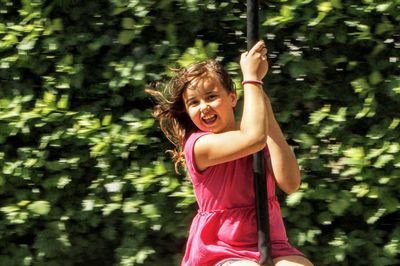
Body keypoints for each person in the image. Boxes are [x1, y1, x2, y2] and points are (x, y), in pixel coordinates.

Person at [147, 40, 313, 266]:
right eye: (194, 103)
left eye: (211, 97)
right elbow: (252, 140)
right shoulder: (198, 146)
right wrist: (251, 78)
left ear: (232, 98)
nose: (204, 106)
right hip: (221, 248)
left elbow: (290, 183)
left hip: (270, 239)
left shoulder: (255, 133)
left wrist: (262, 99)